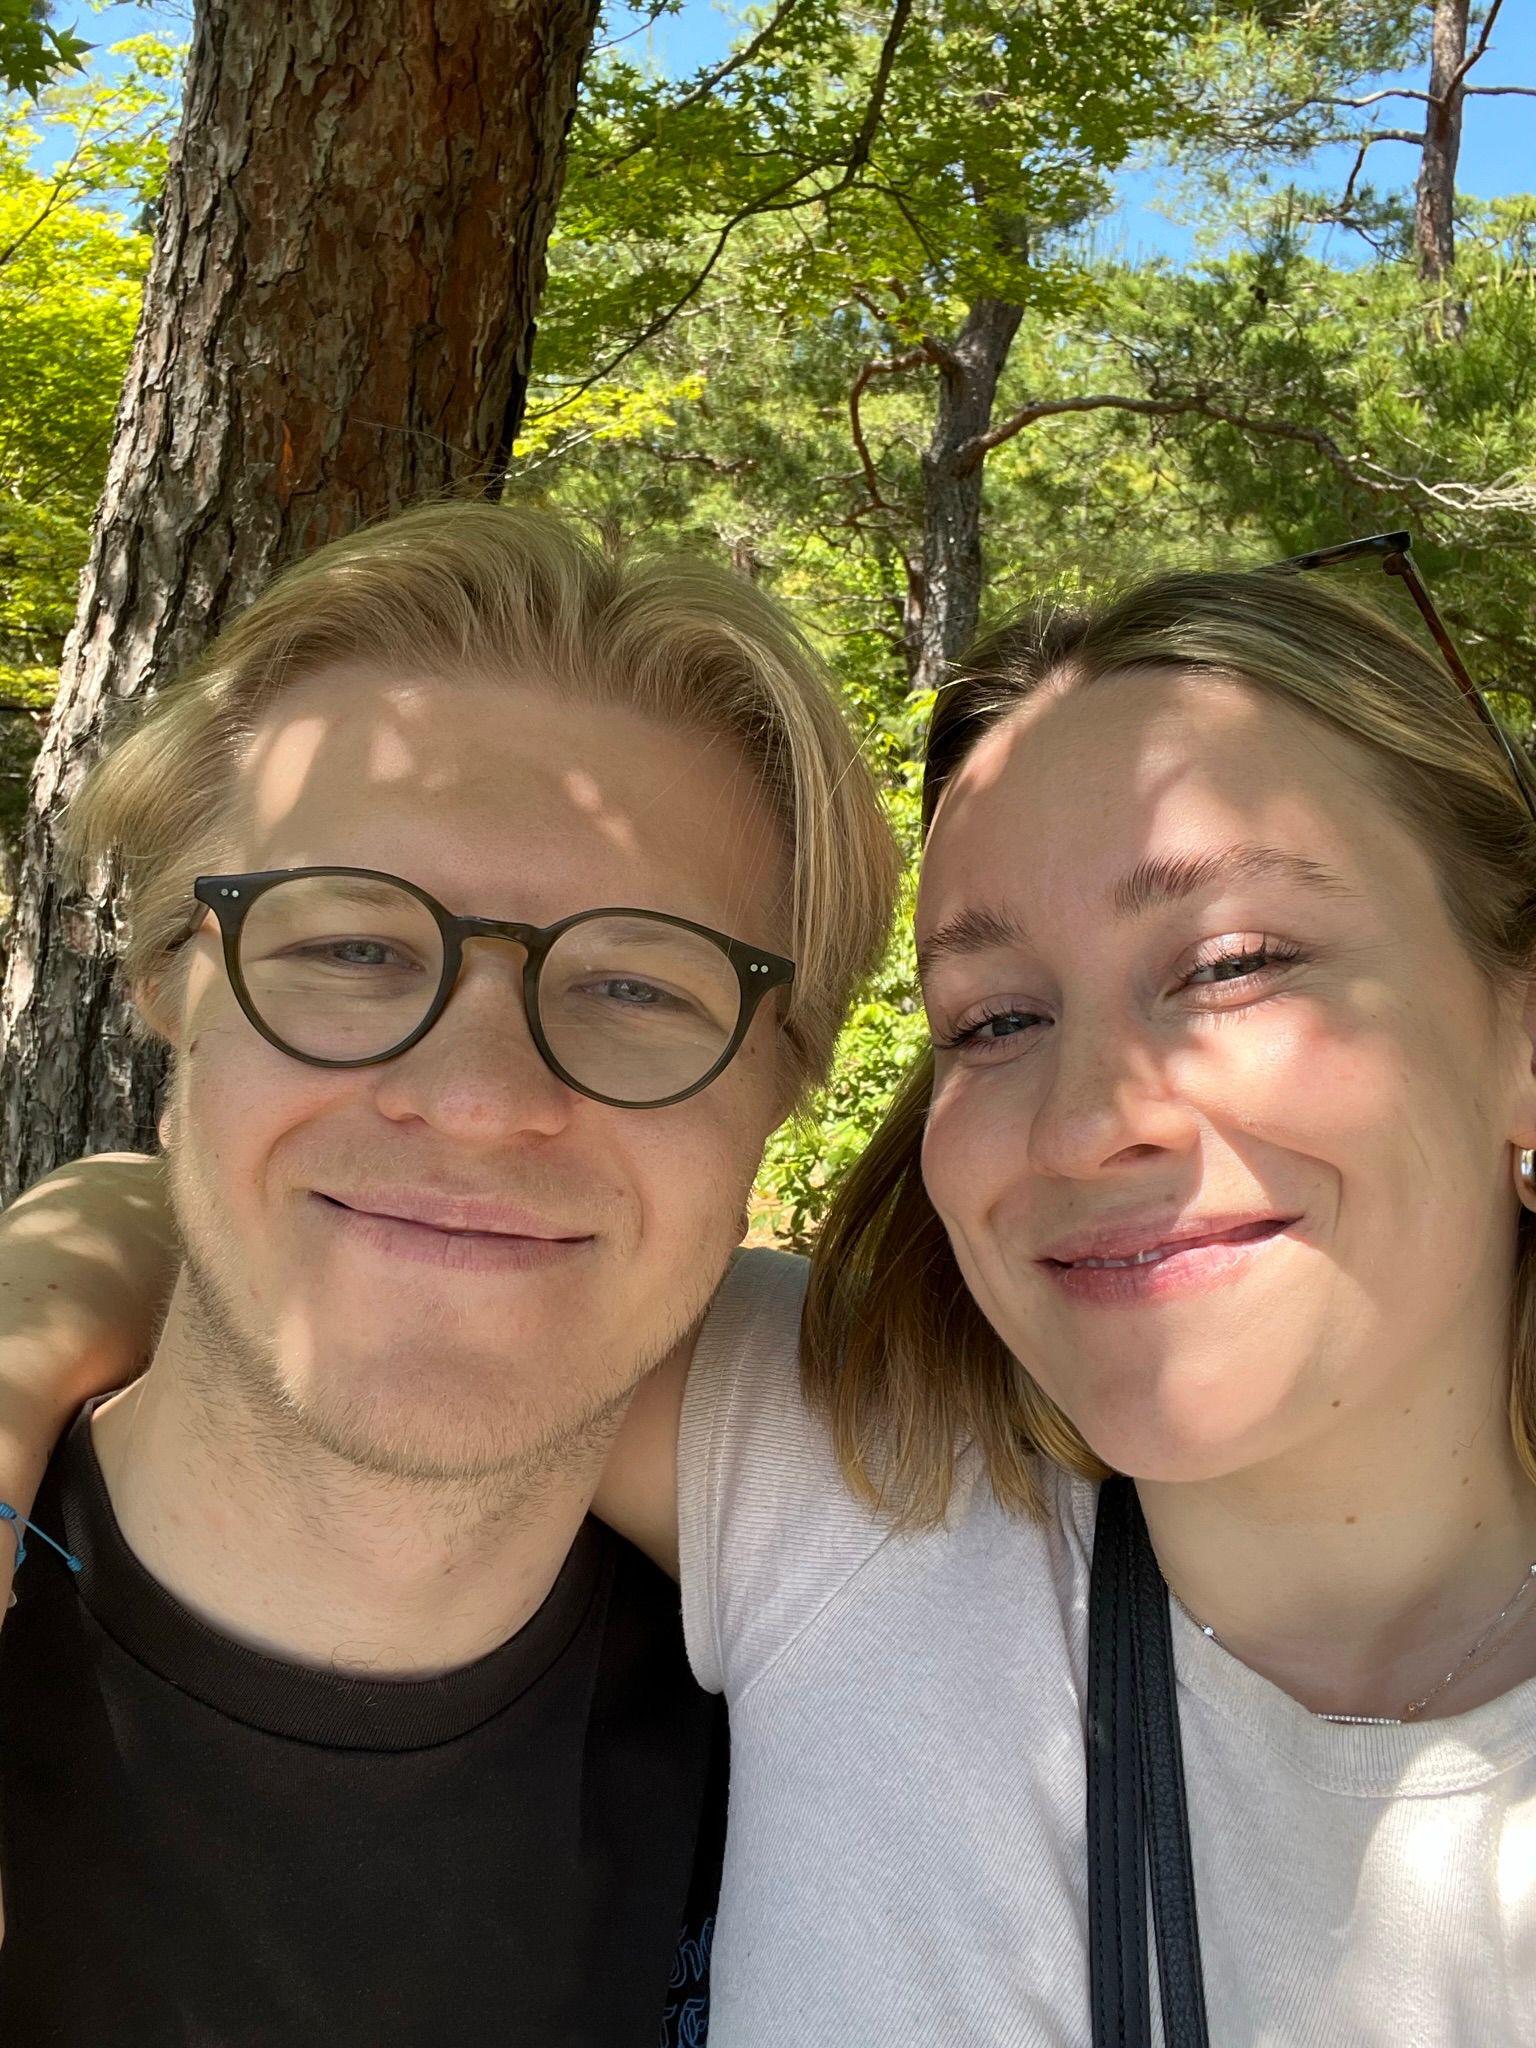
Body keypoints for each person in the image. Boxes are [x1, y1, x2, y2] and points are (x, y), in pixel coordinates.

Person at [3, 560, 1536, 2045]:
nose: (1087, 1120)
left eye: (1232, 962)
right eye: (996, 1017)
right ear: (165, 980)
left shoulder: (826, 1460)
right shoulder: (872, 1470)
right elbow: (349, 1264)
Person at [0, 498, 898, 2046]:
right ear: (167, 985)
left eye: (635, 985)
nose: (477, 1098)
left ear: (786, 1079)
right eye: (350, 950)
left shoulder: (866, 1711)